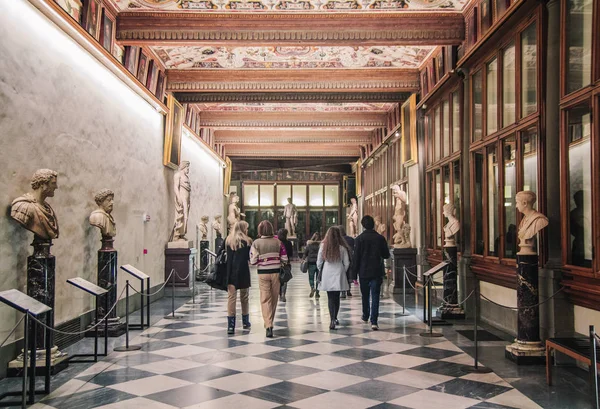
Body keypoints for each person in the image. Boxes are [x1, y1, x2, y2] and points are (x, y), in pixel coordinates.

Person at [250, 220, 288, 338]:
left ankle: (268, 325)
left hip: (263, 273)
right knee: (274, 298)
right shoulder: (278, 242)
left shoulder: (256, 243)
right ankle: (270, 321)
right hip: (275, 273)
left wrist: (261, 259)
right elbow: (285, 258)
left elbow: (253, 260)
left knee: (265, 299)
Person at [353, 215, 390, 330]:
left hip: (363, 271)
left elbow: (356, 258)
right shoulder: (380, 238)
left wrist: (353, 275)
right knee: (375, 296)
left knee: (365, 295)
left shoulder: (359, 239)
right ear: (373, 224)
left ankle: (365, 315)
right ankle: (374, 321)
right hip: (376, 271)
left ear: (363, 225)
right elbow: (386, 255)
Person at [11, 168, 59, 242]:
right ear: (42, 184)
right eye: (53, 183)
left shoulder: (48, 209)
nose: (56, 187)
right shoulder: (23, 206)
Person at [317, 227, 351, 330]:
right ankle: (335, 317)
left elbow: (319, 262)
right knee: (336, 297)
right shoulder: (342, 248)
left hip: (327, 272)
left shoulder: (323, 246)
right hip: (339, 272)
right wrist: (342, 271)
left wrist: (321, 271)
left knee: (330, 297)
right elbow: (347, 263)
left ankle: (332, 319)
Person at [225, 221, 253, 334]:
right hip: (243, 271)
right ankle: (245, 322)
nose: (247, 230)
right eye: (246, 228)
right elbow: (249, 258)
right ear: (243, 229)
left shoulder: (228, 240)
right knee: (244, 297)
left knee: (231, 298)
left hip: (231, 271)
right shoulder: (248, 241)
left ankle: (231, 326)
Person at [170, 161, 191, 241]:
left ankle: (182, 234)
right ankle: (176, 235)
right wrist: (179, 197)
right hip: (182, 198)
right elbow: (175, 187)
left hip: (187, 199)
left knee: (186, 217)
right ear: (183, 167)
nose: (188, 169)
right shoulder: (177, 175)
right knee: (181, 215)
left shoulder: (186, 177)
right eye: (187, 167)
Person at [303, 232, 321, 299]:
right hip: (319, 264)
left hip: (311, 263)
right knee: (318, 278)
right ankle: (317, 293)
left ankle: (312, 287)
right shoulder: (320, 245)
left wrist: (303, 259)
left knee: (311, 277)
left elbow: (305, 254)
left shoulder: (309, 245)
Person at [277, 228, 293, 302]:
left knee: (277, 279)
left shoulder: (277, 242)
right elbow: (290, 254)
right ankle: (283, 293)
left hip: (277, 263)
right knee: (285, 279)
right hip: (286, 263)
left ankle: (278, 293)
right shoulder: (289, 243)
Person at [338, 225, 354, 298]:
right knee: (348, 274)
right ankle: (348, 290)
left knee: (342, 275)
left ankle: (343, 291)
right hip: (350, 258)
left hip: (340, 259)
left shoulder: (338, 240)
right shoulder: (350, 239)